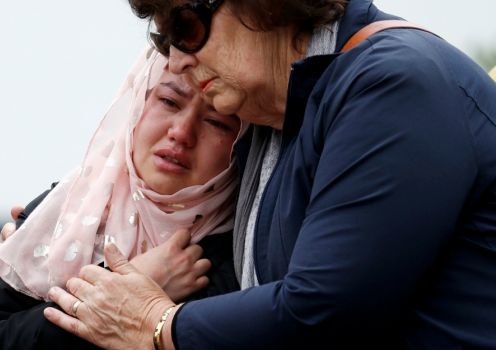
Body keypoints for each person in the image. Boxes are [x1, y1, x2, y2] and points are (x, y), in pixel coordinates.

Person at [41, 0, 496, 349]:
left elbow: (323, 308)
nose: (176, 59)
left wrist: (156, 325)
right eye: (165, 40)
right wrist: (53, 233)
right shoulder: (278, 121)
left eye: (185, 27)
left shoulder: (394, 80)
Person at [0, 50, 246, 349]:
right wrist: (127, 286)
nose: (182, 132)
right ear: (137, 102)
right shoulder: (69, 209)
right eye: (169, 101)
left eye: (217, 122)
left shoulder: (244, 252)